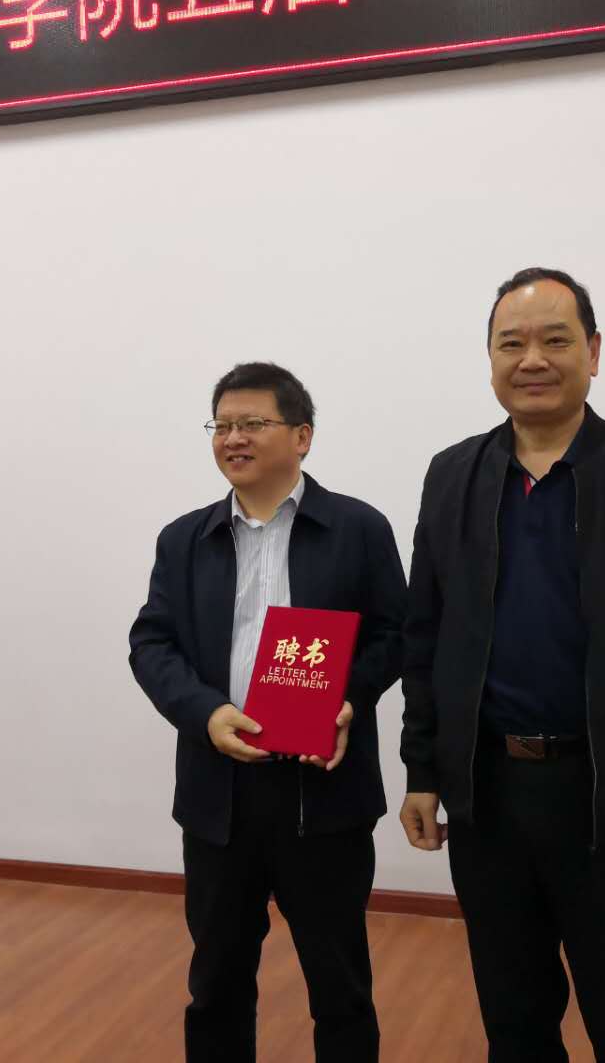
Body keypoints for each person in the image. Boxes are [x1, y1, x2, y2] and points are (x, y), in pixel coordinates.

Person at [398, 268, 605, 1062]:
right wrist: (422, 769)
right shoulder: (453, 476)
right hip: (488, 796)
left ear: (593, 351)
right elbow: (427, 636)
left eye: (555, 340)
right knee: (514, 1021)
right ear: (489, 358)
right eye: (510, 343)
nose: (532, 359)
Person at [129, 361, 406, 1063]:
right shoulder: (183, 539)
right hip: (218, 793)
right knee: (216, 981)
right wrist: (205, 713)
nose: (233, 438)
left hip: (324, 791)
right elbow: (152, 643)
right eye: (221, 425)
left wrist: (348, 700)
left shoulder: (357, 528)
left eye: (253, 423)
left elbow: (396, 634)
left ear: (302, 436)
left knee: (340, 984)